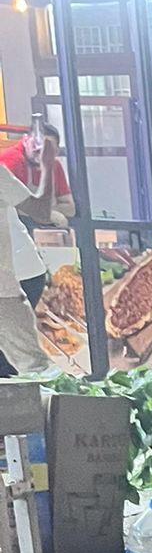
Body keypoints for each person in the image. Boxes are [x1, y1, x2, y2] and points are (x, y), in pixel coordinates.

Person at [0, 134, 61, 375]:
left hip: (10, 283)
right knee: (34, 370)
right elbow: (41, 212)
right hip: (5, 290)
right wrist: (48, 165)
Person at [0, 122, 74, 306]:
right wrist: (47, 213)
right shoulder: (11, 161)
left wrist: (49, 213)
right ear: (25, 140)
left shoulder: (53, 165)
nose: (40, 151)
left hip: (33, 261)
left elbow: (69, 207)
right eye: (37, 144)